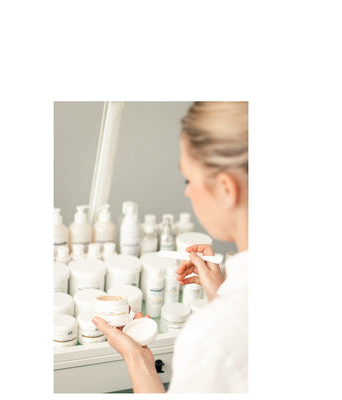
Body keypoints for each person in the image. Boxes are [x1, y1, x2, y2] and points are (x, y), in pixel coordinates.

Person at [92, 101, 248, 393]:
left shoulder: (210, 339)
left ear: (227, 189)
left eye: (188, 178)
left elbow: (232, 333)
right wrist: (220, 295)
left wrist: (136, 358)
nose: (187, 191)